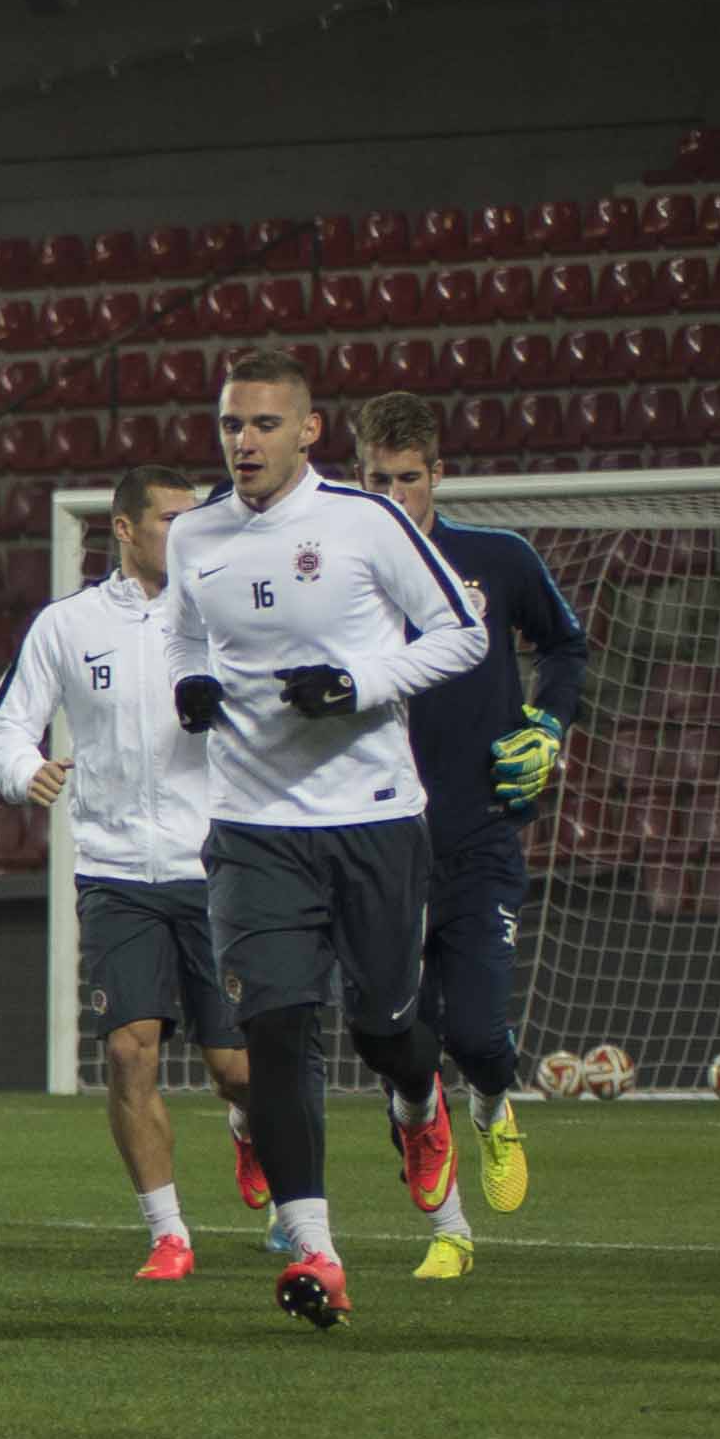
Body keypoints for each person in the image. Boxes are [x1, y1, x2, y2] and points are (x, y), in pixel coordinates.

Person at [166, 345, 483, 1328]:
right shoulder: (195, 533)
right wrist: (189, 681)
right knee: (275, 1026)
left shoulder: (366, 520)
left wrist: (358, 684)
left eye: (264, 423)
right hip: (252, 825)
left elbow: (462, 632)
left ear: (307, 430)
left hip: (373, 815)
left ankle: (417, 1100)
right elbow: (184, 631)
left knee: (384, 1027)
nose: (244, 441)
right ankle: (315, 1250)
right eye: (230, 423)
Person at [0, 464, 249, 1278]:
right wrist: (22, 770)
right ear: (124, 529)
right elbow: (3, 726)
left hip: (214, 864)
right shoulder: (66, 625)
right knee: (130, 1052)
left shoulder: (224, 616)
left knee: (237, 1070)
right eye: (170, 519)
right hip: (114, 870)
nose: (187, 533)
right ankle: (167, 1232)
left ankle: (249, 1127)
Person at [347, 390, 591, 1270]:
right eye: (375, 479)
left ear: (438, 475)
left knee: (479, 1038)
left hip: (479, 832)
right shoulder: (337, 577)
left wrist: (548, 725)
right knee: (403, 1050)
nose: (391, 496)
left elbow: (565, 645)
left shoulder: (496, 559)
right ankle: (448, 1232)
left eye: (407, 478)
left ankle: (492, 1107)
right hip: (376, 841)